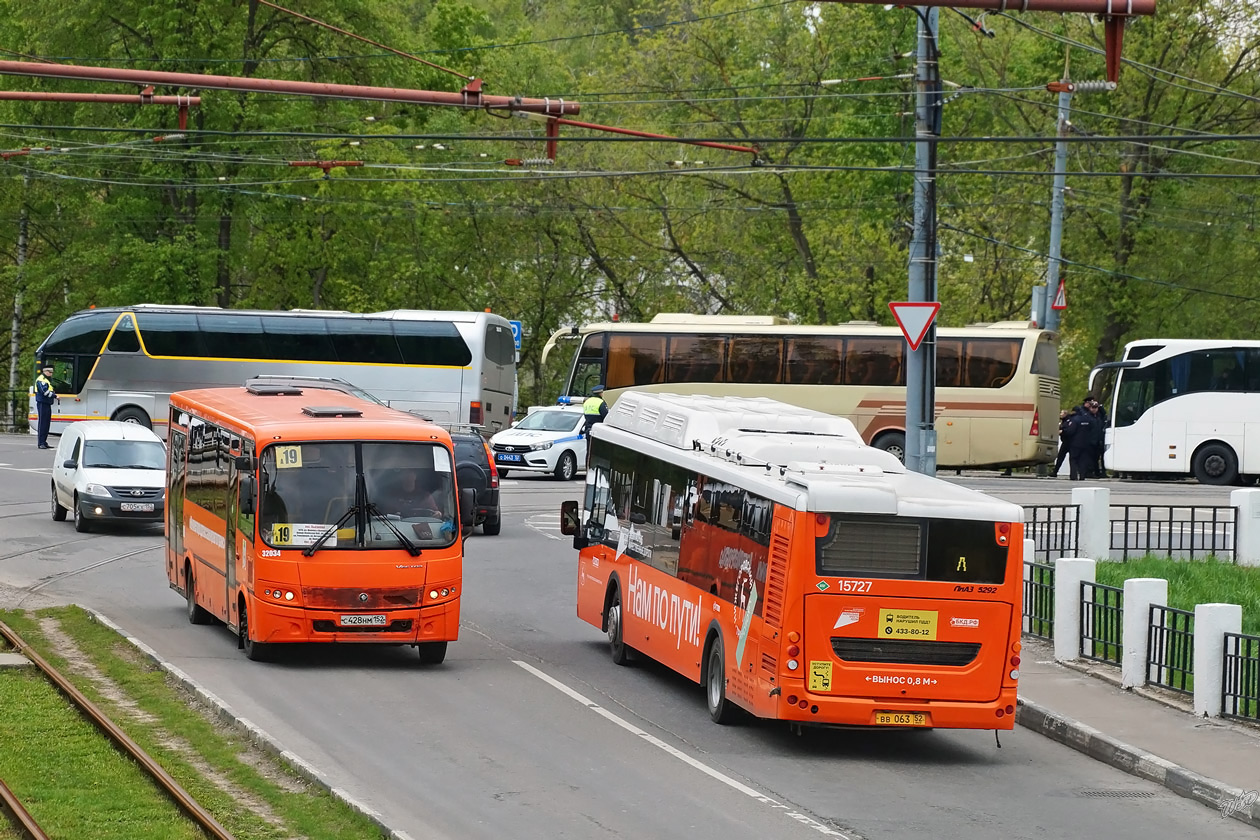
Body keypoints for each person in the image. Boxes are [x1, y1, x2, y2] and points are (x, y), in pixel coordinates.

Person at [33, 364, 56, 450]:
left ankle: (44, 442)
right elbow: (44, 392)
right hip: (42, 403)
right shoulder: (41, 380)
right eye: (50, 372)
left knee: (46, 423)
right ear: (45, 371)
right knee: (43, 423)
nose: (51, 374)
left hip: (46, 403)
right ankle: (41, 442)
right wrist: (54, 395)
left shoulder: (46, 379)